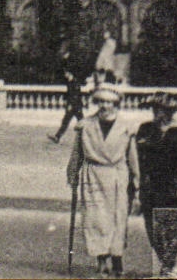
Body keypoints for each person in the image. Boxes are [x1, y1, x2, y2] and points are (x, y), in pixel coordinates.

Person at [67, 86, 140, 278]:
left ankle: (117, 260)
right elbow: (77, 153)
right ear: (97, 103)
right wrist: (73, 174)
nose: (105, 106)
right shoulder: (85, 125)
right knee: (95, 219)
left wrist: (137, 179)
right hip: (93, 176)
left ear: (116, 104)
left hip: (117, 175)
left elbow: (132, 156)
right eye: (101, 102)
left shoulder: (126, 127)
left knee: (117, 219)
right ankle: (101, 263)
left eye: (109, 102)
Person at [137, 93, 177, 275]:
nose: (157, 113)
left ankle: (169, 267)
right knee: (153, 231)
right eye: (154, 109)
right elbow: (138, 158)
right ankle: (166, 264)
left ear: (169, 112)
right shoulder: (145, 129)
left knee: (172, 229)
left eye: (161, 109)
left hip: (172, 187)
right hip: (150, 187)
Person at [51, 60, 88, 143]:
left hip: (75, 106)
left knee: (77, 122)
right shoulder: (71, 82)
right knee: (70, 121)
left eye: (66, 73)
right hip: (76, 105)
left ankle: (58, 137)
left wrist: (70, 105)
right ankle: (57, 136)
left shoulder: (74, 83)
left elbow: (75, 95)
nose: (65, 75)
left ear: (70, 73)